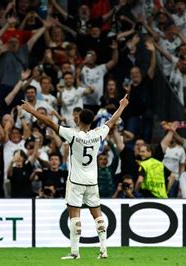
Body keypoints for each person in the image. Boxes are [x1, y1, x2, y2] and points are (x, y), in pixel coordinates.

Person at [20, 93, 129, 260]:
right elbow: (111, 121)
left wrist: (31, 110)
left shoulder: (72, 135)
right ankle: (104, 250)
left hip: (76, 180)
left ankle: (75, 252)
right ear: (92, 121)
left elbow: (50, 123)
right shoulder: (97, 134)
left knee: (75, 215)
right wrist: (122, 106)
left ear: (78, 120)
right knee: (97, 215)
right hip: (92, 181)